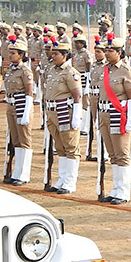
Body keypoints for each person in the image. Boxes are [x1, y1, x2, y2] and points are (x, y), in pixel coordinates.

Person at [96, 36, 131, 204]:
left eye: (110, 51)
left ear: (119, 53)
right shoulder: (105, 70)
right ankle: (115, 189)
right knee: (112, 154)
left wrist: (130, 121)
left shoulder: (126, 71)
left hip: (119, 114)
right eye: (106, 50)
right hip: (105, 114)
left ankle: (123, 191)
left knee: (122, 154)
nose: (107, 53)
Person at [43, 40, 84, 194]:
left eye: (56, 54)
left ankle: (70, 182)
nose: (53, 56)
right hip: (53, 112)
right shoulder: (53, 70)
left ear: (65, 55)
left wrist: (76, 116)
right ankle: (61, 179)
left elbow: (77, 95)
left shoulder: (70, 72)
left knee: (71, 147)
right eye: (52, 53)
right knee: (60, 147)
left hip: (65, 112)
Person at [1, 39, 35, 185]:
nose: (10, 55)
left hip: (22, 105)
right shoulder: (10, 70)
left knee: (24, 140)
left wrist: (26, 112)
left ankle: (24, 174)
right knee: (15, 140)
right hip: (11, 106)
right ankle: (16, 173)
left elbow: (29, 93)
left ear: (21, 55)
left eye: (13, 53)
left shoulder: (25, 71)